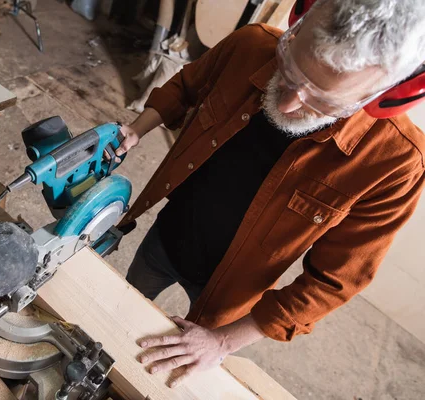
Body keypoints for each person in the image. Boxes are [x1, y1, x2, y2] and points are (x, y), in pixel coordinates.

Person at [114, 0, 425, 388]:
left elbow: (333, 282)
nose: (287, 102)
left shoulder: (396, 163)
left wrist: (222, 340)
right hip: (167, 238)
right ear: (298, 19)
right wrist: (136, 130)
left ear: (387, 96)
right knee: (114, 318)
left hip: (229, 296)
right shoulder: (250, 46)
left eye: (323, 101)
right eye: (290, 71)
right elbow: (185, 86)